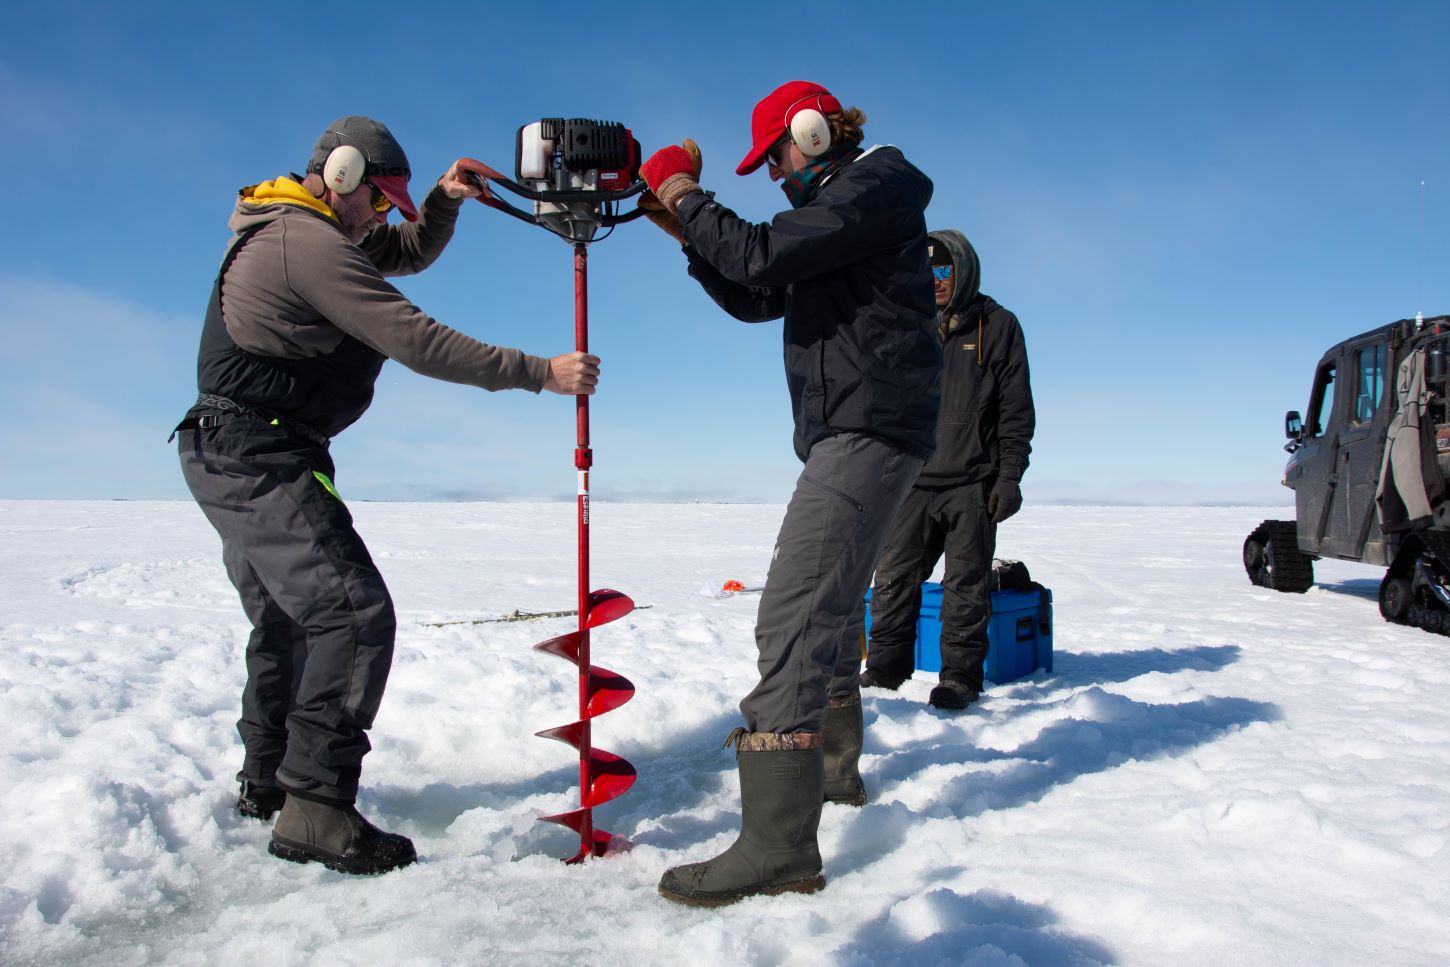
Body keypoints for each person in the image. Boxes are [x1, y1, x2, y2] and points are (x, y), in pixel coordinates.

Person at [172, 116, 600, 876]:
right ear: (340, 175)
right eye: (378, 200)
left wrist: (440, 203)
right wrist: (541, 371)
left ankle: (269, 781)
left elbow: (401, 253)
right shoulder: (302, 244)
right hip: (257, 451)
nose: (381, 217)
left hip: (236, 447)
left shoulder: (303, 228)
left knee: (290, 619)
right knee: (350, 611)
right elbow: (414, 337)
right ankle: (316, 807)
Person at [637, 80, 940, 906]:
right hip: (862, 427)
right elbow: (754, 291)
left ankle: (778, 848)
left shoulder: (873, 186)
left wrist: (684, 190)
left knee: (794, 613)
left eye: (773, 155)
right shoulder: (849, 209)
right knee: (833, 615)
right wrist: (686, 230)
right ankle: (834, 775)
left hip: (868, 427)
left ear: (811, 132)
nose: (771, 174)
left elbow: (762, 253)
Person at [860, 230, 1035, 709]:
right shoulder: (908, 324)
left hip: (972, 483)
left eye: (943, 271)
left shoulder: (997, 326)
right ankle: (884, 668)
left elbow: (1016, 411)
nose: (934, 281)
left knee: (966, 587)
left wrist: (1009, 477)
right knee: (893, 579)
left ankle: (960, 677)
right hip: (912, 482)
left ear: (962, 271)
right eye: (926, 271)